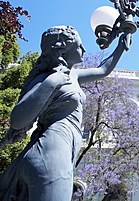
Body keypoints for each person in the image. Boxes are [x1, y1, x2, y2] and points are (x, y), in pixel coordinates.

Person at [0, 25, 127, 201]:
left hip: (58, 153)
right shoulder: (47, 77)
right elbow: (18, 120)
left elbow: (102, 70)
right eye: (79, 45)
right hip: (51, 154)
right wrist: (50, 83)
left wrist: (122, 44)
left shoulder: (73, 75)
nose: (83, 49)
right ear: (63, 49)